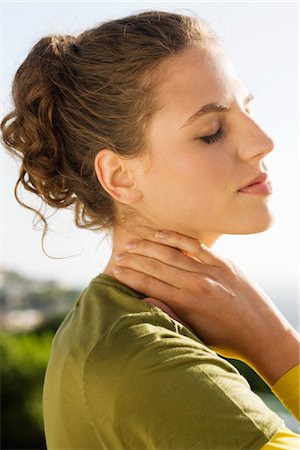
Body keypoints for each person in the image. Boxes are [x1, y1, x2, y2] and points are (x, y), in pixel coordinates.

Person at [1, 10, 299, 450]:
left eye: (247, 109)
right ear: (120, 176)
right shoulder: (145, 356)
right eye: (212, 132)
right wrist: (275, 344)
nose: (263, 141)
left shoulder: (110, 328)